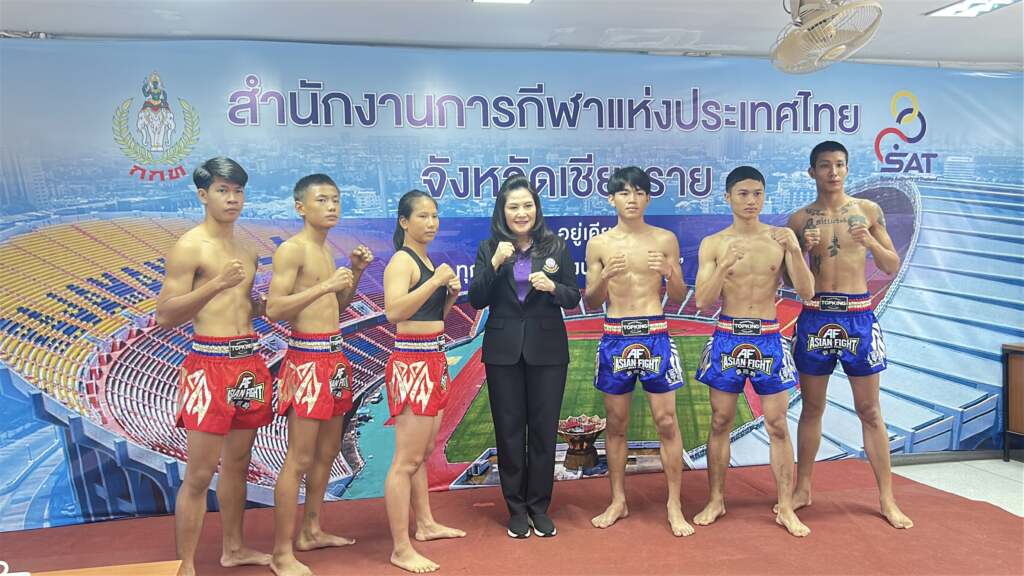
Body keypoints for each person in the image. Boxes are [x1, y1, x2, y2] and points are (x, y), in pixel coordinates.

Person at [786, 141, 913, 529]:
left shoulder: (868, 211)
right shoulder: (799, 219)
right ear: (812, 172)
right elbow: (791, 283)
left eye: (840, 164)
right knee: (811, 408)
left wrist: (870, 241)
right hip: (816, 316)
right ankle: (802, 488)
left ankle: (887, 498)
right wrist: (803, 252)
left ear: (847, 168)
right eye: (825, 165)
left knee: (870, 410)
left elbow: (891, 265)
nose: (834, 172)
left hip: (857, 316)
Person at [156, 157, 272, 576]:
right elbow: (165, 315)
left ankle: (234, 548)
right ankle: (185, 564)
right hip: (209, 363)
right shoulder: (190, 247)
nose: (232, 198)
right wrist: (218, 284)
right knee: (200, 472)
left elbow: (241, 306)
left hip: (248, 362)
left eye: (238, 191)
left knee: (239, 464)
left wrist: (258, 306)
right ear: (203, 195)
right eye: (223, 190)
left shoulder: (248, 249)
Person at [691, 166, 815, 537]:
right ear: (727, 197)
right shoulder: (713, 243)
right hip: (728, 335)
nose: (751, 201)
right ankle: (716, 499)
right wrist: (724, 267)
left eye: (757, 193)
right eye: (743, 194)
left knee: (777, 423)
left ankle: (786, 506)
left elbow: (807, 292)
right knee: (720, 421)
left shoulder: (779, 239)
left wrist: (795, 249)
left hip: (768, 337)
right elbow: (702, 301)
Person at [265, 174, 374, 576]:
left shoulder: (327, 250)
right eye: (322, 200)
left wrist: (355, 272)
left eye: (336, 200)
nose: (331, 206)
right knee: (299, 458)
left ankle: (311, 530)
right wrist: (326, 284)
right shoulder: (291, 250)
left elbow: (336, 307)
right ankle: (281, 553)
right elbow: (275, 308)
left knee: (328, 452)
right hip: (306, 359)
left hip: (334, 357)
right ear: (300, 207)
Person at [468, 176, 581, 539]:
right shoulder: (489, 248)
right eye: (513, 206)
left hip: (548, 350)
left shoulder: (555, 246)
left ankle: (539, 507)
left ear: (537, 209)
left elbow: (573, 296)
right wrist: (495, 263)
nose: (521, 212)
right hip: (503, 352)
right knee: (509, 432)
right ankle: (516, 509)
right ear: (502, 211)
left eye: (527, 205)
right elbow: (476, 298)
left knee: (544, 432)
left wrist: (553, 287)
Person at [584, 166, 692, 537]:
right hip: (615, 335)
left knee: (667, 421)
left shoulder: (665, 239)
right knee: (616, 424)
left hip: (655, 334)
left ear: (648, 198)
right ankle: (618, 500)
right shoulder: (599, 244)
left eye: (639, 192)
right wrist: (604, 277)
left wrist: (670, 273)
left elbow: (679, 295)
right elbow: (591, 299)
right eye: (624, 193)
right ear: (611, 198)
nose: (632, 199)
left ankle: (674, 504)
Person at [382, 190, 466, 573]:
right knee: (406, 460)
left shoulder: (427, 261)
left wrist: (449, 298)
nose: (431, 223)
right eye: (422, 216)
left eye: (435, 216)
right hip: (413, 363)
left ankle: (426, 523)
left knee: (423, 452)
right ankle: (401, 548)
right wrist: (435, 284)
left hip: (433, 358)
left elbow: (430, 316)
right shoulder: (402, 260)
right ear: (404, 221)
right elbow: (393, 312)